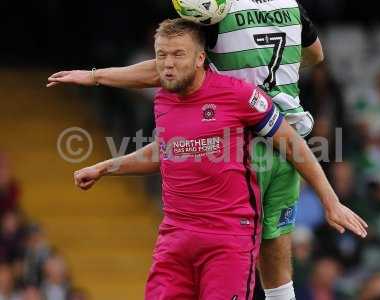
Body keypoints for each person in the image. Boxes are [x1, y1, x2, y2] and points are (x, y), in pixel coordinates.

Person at [48, 2, 364, 299]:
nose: (168, 63)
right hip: (284, 140)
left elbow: (166, 68)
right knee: (278, 265)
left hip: (245, 144)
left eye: (178, 55)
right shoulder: (290, 6)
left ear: (200, 58)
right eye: (163, 54)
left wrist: (95, 76)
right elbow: (315, 55)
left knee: (246, 249)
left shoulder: (215, 14)